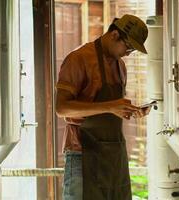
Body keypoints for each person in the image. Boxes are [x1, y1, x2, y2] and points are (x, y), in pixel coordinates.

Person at [55, 14, 150, 200]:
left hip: (114, 157)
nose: (128, 54)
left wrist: (128, 110)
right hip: (83, 155)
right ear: (114, 35)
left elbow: (110, 109)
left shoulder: (120, 66)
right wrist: (110, 106)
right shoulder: (79, 59)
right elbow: (62, 108)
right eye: (128, 47)